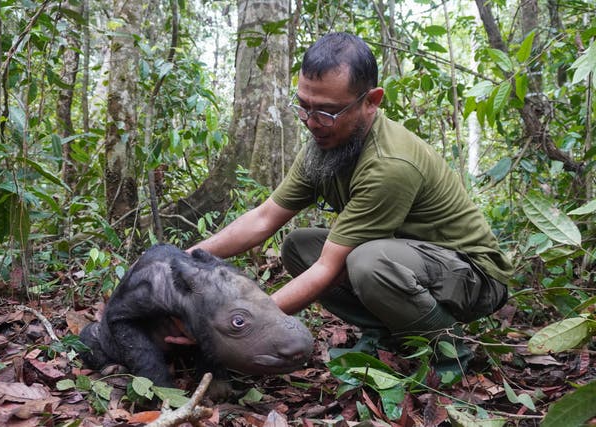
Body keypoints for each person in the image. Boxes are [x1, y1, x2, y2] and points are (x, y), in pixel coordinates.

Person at [184, 32, 513, 365]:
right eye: (304, 106)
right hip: (410, 262)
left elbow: (329, 268)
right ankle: (387, 336)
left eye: (327, 112)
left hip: (474, 276)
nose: (312, 123)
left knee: (367, 263)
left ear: (371, 101)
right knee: (299, 246)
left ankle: (451, 351)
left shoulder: (389, 163)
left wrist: (235, 328)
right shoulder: (324, 145)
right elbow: (264, 217)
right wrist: (182, 258)